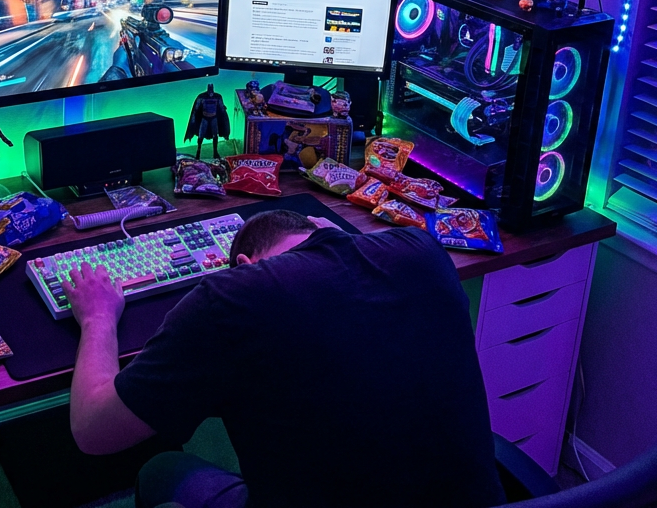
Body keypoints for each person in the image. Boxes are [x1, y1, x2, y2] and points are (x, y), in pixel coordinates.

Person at [63, 209, 505, 508]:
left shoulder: (232, 300)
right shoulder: (424, 252)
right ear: (319, 227)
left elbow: (92, 429)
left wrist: (98, 317)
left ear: (241, 263)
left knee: (161, 468)